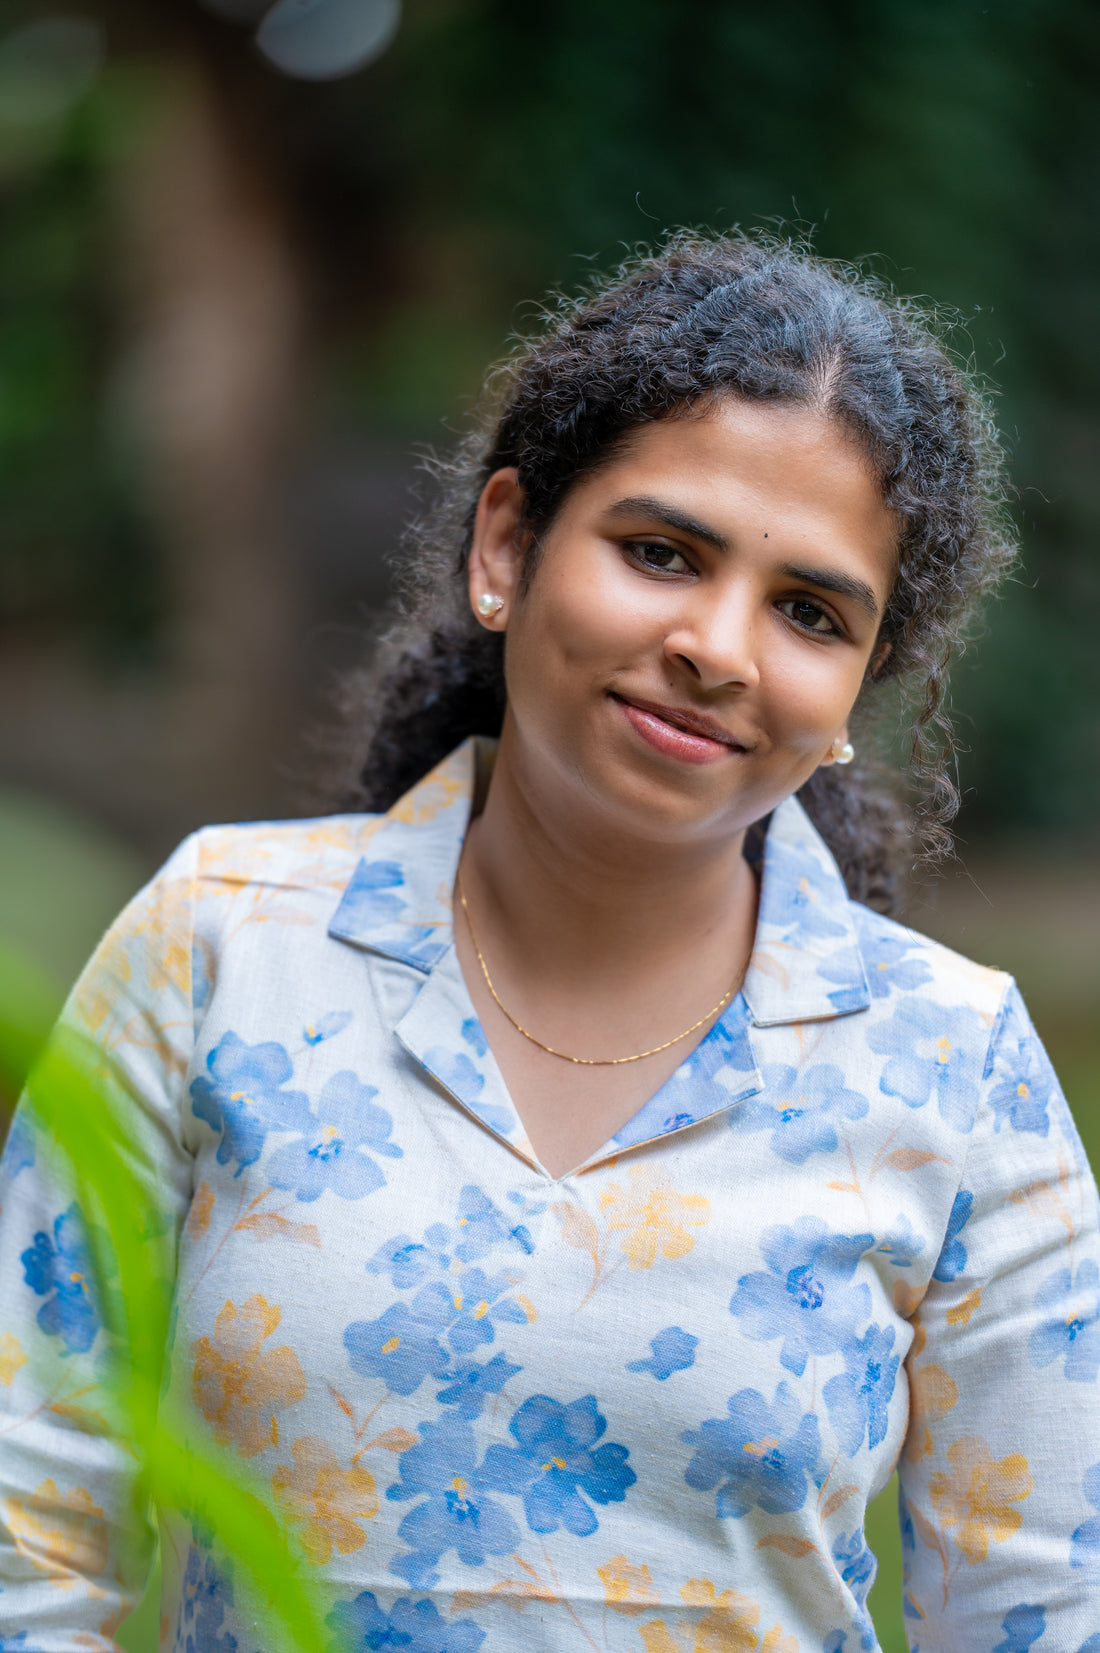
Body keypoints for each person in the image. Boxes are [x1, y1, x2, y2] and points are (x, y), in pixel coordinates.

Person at [2, 231, 1098, 1653]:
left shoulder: (956, 1069)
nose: (719, 644)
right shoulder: (221, 946)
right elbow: (25, 1519)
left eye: (810, 612)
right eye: (661, 552)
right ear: (507, 544)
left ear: (852, 697)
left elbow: (1045, 1619)